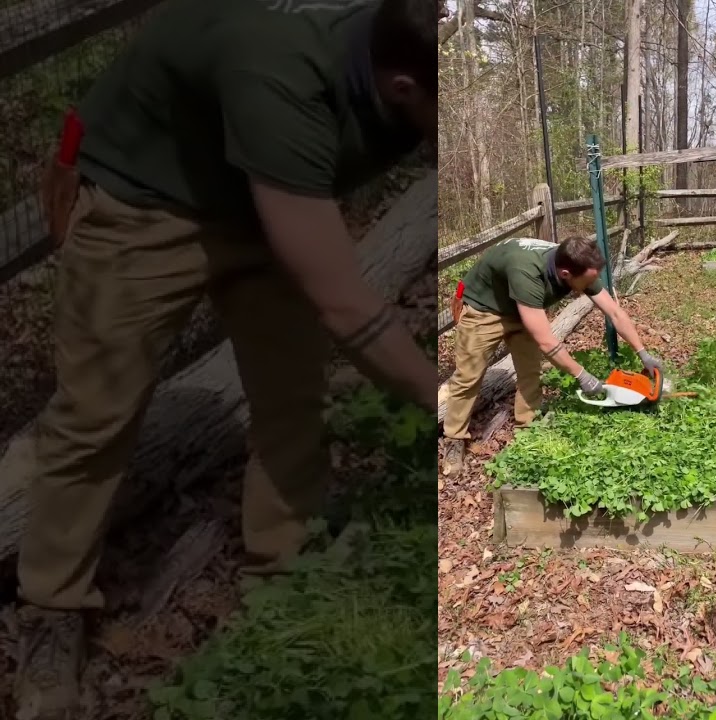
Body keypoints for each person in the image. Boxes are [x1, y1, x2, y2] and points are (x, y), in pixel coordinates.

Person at [13, 0, 441, 716]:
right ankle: (51, 608)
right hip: (146, 206)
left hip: (275, 200)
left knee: (293, 396)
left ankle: (285, 574)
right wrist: (449, 397)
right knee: (95, 415)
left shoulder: (408, 62)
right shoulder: (281, 73)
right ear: (401, 86)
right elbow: (346, 306)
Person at [441, 234, 661, 476]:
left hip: (525, 307)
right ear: (566, 274)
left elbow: (615, 313)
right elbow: (547, 342)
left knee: (529, 371)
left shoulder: (580, 264)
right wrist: (583, 376)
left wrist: (643, 353)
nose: (591, 285)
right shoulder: (526, 270)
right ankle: (454, 438)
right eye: (587, 281)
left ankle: (528, 426)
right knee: (468, 377)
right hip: (485, 309)